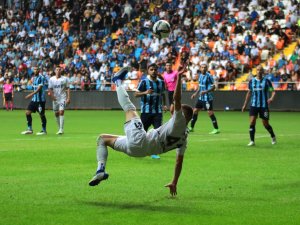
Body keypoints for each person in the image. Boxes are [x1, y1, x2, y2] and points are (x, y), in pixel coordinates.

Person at [88, 64, 193, 196]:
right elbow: (179, 161)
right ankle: (100, 171)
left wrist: (178, 77)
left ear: (184, 115)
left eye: (180, 109)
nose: (176, 110)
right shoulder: (184, 138)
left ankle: (117, 81)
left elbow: (176, 99)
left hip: (141, 140)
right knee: (102, 139)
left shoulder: (179, 121)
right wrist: (174, 182)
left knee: (129, 108)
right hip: (139, 152)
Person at [134, 63, 168, 159]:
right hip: (146, 112)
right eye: (151, 69)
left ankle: (153, 152)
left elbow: (163, 94)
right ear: (148, 71)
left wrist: (164, 105)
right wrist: (145, 92)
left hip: (157, 112)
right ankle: (139, 149)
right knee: (142, 132)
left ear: (157, 71)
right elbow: (136, 94)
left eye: (155, 70)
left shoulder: (161, 82)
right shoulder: (144, 82)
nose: (153, 71)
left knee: (158, 132)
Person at [242, 65, 276, 146]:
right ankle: (252, 141)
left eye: (261, 70)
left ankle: (273, 136)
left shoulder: (267, 81)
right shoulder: (251, 81)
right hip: (253, 105)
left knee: (265, 124)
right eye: (257, 70)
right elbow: (249, 93)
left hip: (264, 106)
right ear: (255, 71)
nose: (259, 71)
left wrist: (271, 98)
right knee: (252, 121)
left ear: (263, 71)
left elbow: (273, 91)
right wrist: (244, 105)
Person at [189, 62, 220, 134]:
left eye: (205, 67)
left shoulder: (209, 76)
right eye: (202, 67)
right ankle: (191, 127)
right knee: (195, 111)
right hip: (201, 98)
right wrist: (195, 93)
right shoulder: (200, 76)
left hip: (207, 98)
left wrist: (205, 92)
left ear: (207, 68)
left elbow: (213, 87)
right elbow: (200, 86)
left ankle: (216, 129)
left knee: (210, 112)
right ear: (200, 68)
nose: (203, 69)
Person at [21, 67, 47, 135]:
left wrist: (30, 94)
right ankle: (29, 129)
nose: (35, 70)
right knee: (27, 112)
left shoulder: (41, 77)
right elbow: (33, 87)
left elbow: (39, 88)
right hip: (34, 99)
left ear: (39, 70)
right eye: (34, 69)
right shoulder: (34, 78)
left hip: (40, 100)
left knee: (41, 114)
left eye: (37, 69)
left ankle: (44, 130)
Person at [48, 67, 71, 135]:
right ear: (55, 71)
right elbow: (50, 88)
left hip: (62, 98)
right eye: (57, 70)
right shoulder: (51, 79)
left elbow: (68, 88)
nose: (58, 71)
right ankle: (59, 128)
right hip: (55, 99)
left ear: (61, 71)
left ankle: (61, 129)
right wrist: (52, 96)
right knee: (56, 113)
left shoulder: (65, 79)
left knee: (61, 112)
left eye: (59, 70)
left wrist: (68, 98)